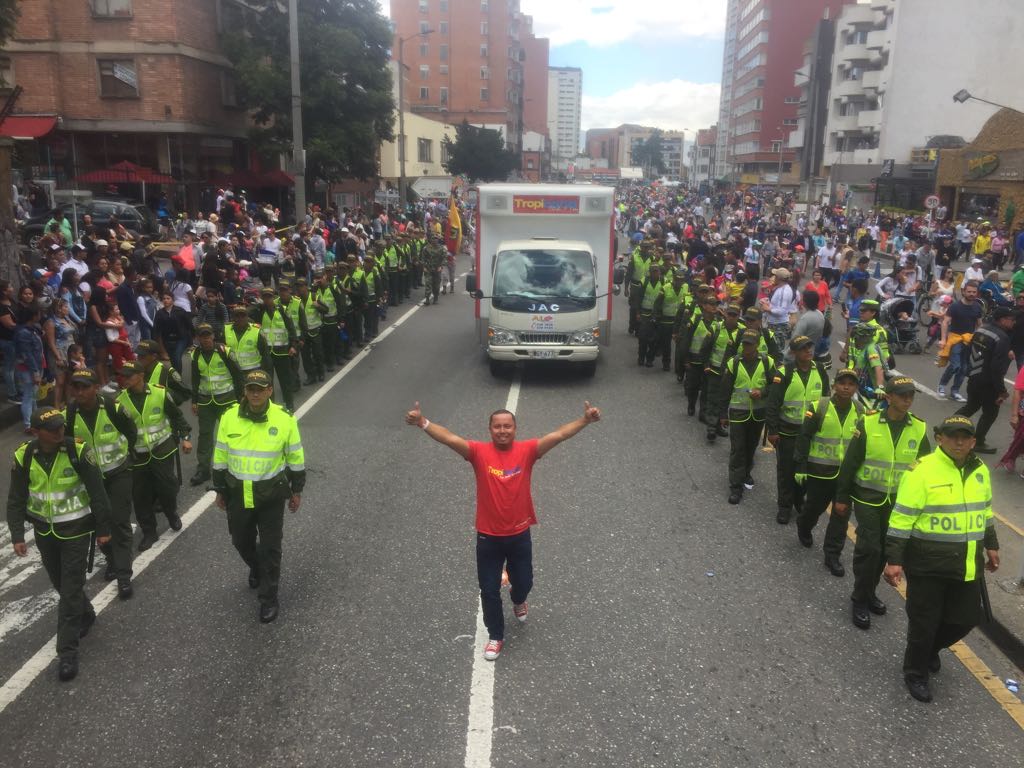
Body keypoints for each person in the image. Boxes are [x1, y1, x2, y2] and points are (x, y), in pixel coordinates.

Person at [405, 399, 601, 661]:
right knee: (488, 589)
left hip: (519, 535)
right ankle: (496, 635)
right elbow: (450, 439)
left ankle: (518, 599)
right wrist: (422, 422)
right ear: (490, 430)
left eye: (507, 426)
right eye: (497, 426)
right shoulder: (477, 452)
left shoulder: (528, 450)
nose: (502, 430)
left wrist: (585, 420)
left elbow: (559, 435)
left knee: (524, 583)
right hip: (488, 537)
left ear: (515, 429)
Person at [884, 415, 1000, 703]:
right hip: (927, 565)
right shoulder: (921, 471)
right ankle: (915, 671)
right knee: (924, 622)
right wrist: (894, 559)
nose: (959, 442)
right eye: (952, 436)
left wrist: (992, 545)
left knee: (965, 619)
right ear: (940, 439)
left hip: (967, 563)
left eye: (965, 437)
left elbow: (984, 510)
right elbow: (901, 518)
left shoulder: (979, 470)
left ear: (973, 441)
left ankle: (930, 649)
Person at [6, 407, 112, 681]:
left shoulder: (77, 451)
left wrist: (103, 528)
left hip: (76, 531)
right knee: (60, 583)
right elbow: (16, 498)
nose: (59, 432)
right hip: (45, 532)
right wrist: (18, 534)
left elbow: (98, 492)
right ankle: (86, 613)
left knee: (69, 590)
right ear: (36, 432)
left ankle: (67, 651)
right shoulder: (24, 455)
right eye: (52, 429)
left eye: (61, 427)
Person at [834, 376, 930, 630]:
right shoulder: (868, 423)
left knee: (886, 551)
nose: (907, 400)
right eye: (902, 395)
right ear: (888, 397)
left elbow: (926, 469)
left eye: (910, 395)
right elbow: (850, 463)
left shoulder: (918, 429)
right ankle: (859, 599)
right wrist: (842, 497)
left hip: (899, 503)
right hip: (868, 497)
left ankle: (869, 591)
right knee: (870, 549)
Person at [213, 370, 305, 624]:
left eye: (260, 389)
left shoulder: (284, 419)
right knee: (240, 541)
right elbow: (220, 456)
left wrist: (296, 490)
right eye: (250, 389)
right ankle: (256, 567)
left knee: (270, 548)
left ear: (269, 391)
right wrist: (219, 489)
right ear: (245, 391)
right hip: (238, 493)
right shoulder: (229, 418)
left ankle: (268, 597)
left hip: (271, 494)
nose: (255, 393)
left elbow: (295, 457)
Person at [65, 368, 137, 598]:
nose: (80, 391)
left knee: (119, 521)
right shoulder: (69, 413)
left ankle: (124, 576)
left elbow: (131, 432)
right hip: (90, 480)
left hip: (118, 472)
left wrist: (125, 456)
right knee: (98, 522)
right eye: (76, 387)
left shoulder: (113, 407)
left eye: (85, 386)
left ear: (96, 388)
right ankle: (111, 559)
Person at [793, 368, 863, 576]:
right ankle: (804, 526)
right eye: (842, 383)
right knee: (813, 509)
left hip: (846, 477)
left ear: (855, 388)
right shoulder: (819, 407)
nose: (846, 387)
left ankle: (832, 555)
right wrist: (801, 466)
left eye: (851, 384)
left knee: (841, 516)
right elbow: (804, 437)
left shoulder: (860, 411)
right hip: (820, 472)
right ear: (834, 385)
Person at [116, 361, 193, 551]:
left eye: (129, 376)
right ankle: (149, 532)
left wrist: (185, 438)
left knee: (167, 488)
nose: (124, 380)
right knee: (141, 496)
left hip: (162, 449)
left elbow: (177, 416)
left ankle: (172, 514)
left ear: (141, 375)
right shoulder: (120, 402)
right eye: (123, 376)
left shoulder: (160, 393)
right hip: (137, 455)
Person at [766, 335, 829, 524]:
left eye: (810, 347)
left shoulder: (819, 369)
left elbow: (826, 400)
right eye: (803, 348)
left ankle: (798, 500)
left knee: (806, 470)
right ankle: (784, 506)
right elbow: (773, 403)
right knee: (786, 471)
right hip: (788, 432)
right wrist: (773, 430)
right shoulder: (784, 373)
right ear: (794, 353)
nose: (809, 351)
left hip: (811, 433)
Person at [715, 329, 774, 504]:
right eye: (744, 344)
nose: (746, 347)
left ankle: (746, 472)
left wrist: (762, 392)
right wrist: (722, 414)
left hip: (757, 414)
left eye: (750, 344)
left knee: (751, 446)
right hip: (738, 413)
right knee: (737, 449)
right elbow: (724, 391)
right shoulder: (733, 363)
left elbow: (775, 388)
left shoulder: (767, 362)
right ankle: (735, 486)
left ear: (757, 345)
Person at [955, 306, 1016, 453]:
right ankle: (979, 441)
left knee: (971, 406)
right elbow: (996, 368)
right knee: (990, 413)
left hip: (974, 377)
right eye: (1011, 319)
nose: (1014, 322)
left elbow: (969, 350)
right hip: (988, 383)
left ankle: (948, 427)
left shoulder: (981, 329)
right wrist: (1002, 391)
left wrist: (970, 371)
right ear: (1002, 320)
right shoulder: (1002, 337)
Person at [189, 324, 242, 486]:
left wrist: (241, 399)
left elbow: (238, 374)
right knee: (205, 435)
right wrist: (194, 401)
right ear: (198, 338)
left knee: (231, 434)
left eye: (208, 335)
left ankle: (235, 465)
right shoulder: (194, 354)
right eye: (202, 336)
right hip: (205, 401)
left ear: (213, 336)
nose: (205, 339)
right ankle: (203, 470)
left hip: (227, 400)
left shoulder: (224, 351)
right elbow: (195, 379)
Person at [254, 286, 298, 411]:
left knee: (285, 380)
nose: (267, 300)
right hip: (266, 353)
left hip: (282, 351)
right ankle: (270, 407)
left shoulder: (283, 310)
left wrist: (293, 346)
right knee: (267, 382)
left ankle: (289, 405)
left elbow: (291, 329)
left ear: (274, 298)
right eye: (265, 297)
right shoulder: (259, 311)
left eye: (269, 297)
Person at [936, 281, 983, 401]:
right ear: (963, 291)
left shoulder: (977, 307)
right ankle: (941, 385)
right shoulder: (955, 306)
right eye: (969, 292)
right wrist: (943, 339)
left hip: (969, 340)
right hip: (955, 339)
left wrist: (979, 339)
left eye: (974, 292)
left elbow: (979, 324)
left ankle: (955, 391)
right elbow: (945, 322)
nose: (971, 294)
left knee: (964, 368)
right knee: (955, 365)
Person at [420, 233, 447, 306]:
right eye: (433, 239)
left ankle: (435, 298)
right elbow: (422, 258)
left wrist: (441, 266)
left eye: (436, 239)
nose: (434, 240)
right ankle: (427, 299)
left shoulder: (441, 248)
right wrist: (424, 267)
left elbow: (444, 258)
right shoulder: (426, 248)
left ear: (438, 240)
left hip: (437, 269)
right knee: (428, 283)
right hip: (428, 269)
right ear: (431, 240)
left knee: (436, 285)